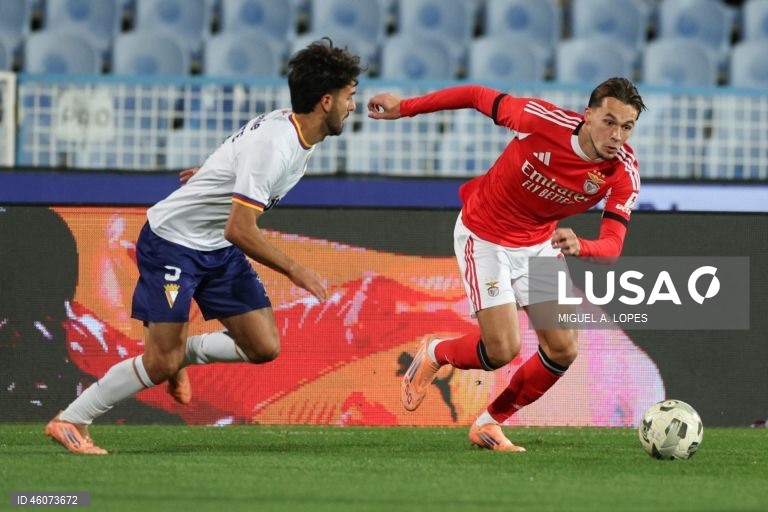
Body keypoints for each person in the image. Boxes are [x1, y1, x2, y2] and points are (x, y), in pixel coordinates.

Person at [45, 39, 362, 454]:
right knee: (159, 364)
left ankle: (184, 351)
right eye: (349, 96)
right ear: (325, 101)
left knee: (263, 346)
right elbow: (240, 230)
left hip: (214, 247)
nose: (353, 106)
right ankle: (71, 420)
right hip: (173, 245)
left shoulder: (295, 132)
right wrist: (296, 270)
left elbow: (237, 158)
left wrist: (212, 174)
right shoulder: (277, 144)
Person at [368, 78, 646, 452]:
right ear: (588, 115)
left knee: (563, 348)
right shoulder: (539, 119)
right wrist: (406, 107)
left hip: (539, 246)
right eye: (609, 122)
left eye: (627, 127)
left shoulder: (623, 171)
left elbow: (612, 247)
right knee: (501, 350)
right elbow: (474, 95)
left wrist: (582, 245)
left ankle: (489, 423)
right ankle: (436, 352)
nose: (617, 135)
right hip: (485, 236)